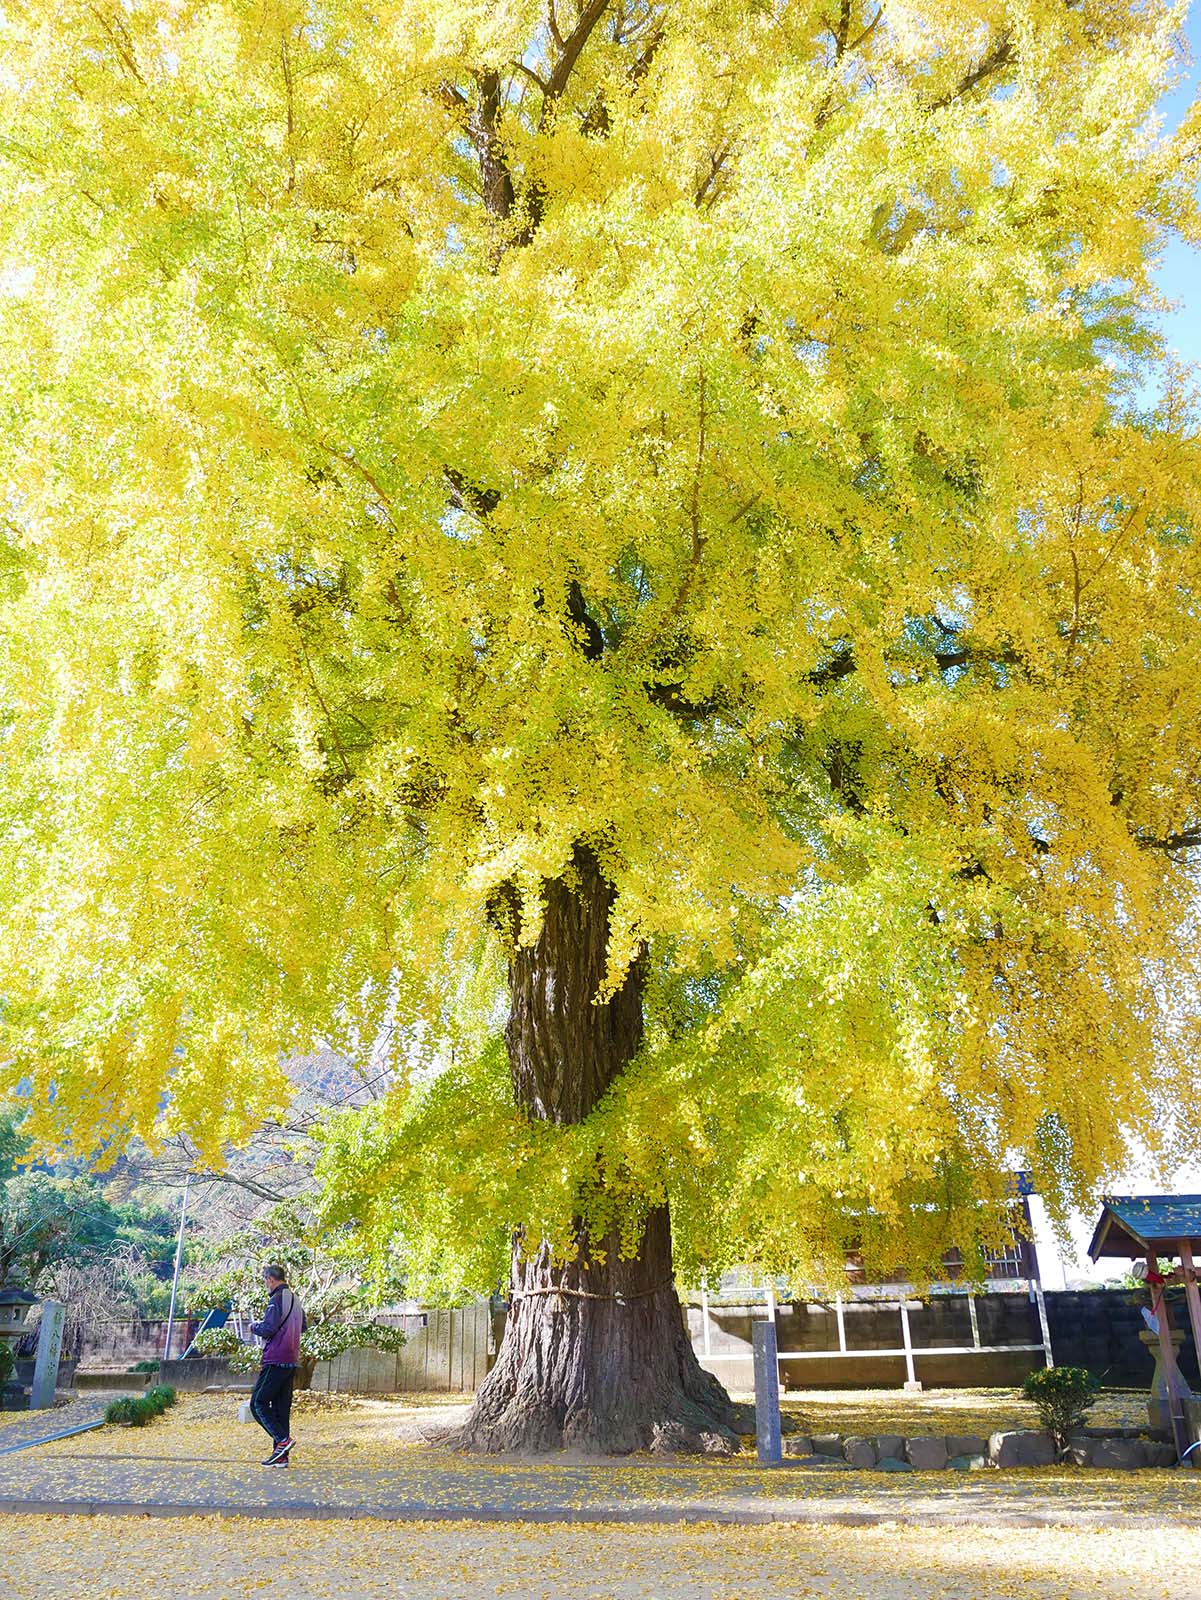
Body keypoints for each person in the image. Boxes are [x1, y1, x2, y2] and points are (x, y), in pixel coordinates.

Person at [248, 1263, 305, 1467]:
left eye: (265, 1281)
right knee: (281, 1409)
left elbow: (269, 1328)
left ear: (271, 1279)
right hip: (291, 1359)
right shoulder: (295, 1299)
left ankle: (283, 1441)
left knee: (258, 1403)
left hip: (275, 1358)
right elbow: (304, 1326)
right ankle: (281, 1457)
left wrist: (254, 1326)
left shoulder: (276, 1300)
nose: (266, 1285)